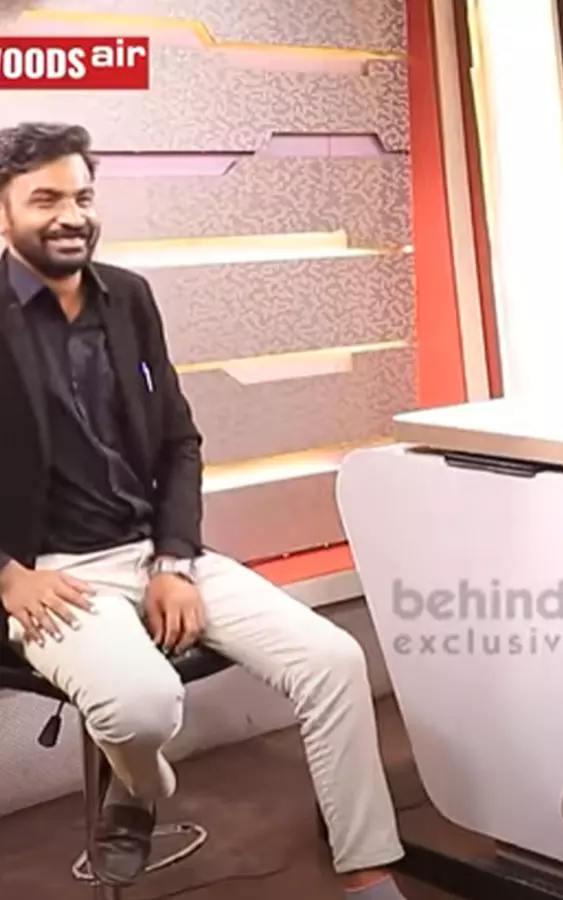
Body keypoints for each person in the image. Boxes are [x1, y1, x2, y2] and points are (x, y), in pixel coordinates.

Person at [0, 123, 410, 897]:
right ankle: (143, 786)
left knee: (333, 661)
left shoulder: (128, 297)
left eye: (82, 197)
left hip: (155, 549)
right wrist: (7, 576)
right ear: (4, 212)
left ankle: (368, 872)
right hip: (51, 572)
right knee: (142, 707)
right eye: (45, 199)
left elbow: (178, 441)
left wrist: (174, 560)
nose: (71, 216)